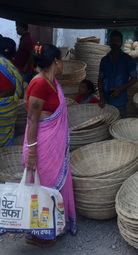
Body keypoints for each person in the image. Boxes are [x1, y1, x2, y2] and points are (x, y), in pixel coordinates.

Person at [22, 44, 77, 247]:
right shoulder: (39, 84)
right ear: (56, 61)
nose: (63, 64)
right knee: (42, 188)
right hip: (42, 146)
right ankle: (40, 233)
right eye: (62, 60)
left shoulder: (51, 81)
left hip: (52, 146)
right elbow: (33, 120)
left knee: (51, 188)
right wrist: (32, 152)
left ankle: (54, 227)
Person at [97, 30, 138, 118]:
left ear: (121, 43)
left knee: (119, 125)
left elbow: (135, 78)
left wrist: (120, 88)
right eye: (112, 40)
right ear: (109, 42)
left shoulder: (128, 60)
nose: (114, 42)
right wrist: (101, 97)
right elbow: (100, 79)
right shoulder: (104, 60)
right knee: (106, 125)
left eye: (117, 40)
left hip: (120, 101)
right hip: (106, 100)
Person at [0, 37, 23, 147]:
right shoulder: (15, 70)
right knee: (5, 145)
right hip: (9, 116)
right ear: (13, 53)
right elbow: (21, 94)